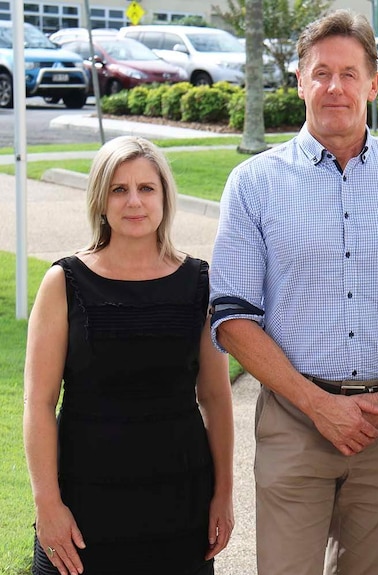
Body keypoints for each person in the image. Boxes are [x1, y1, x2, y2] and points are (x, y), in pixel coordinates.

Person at [208, 9, 378, 575]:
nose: (335, 87)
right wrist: (318, 405)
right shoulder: (253, 184)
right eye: (321, 72)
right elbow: (231, 316)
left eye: (349, 74)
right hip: (294, 421)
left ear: (373, 83)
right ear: (299, 82)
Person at [23, 136, 235, 575]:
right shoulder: (65, 282)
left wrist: (223, 493)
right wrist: (48, 504)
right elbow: (39, 404)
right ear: (100, 201)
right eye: (119, 189)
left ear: (164, 197)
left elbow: (215, 397)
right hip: (82, 505)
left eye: (146, 188)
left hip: (180, 504)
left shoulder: (200, 283)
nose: (134, 201)